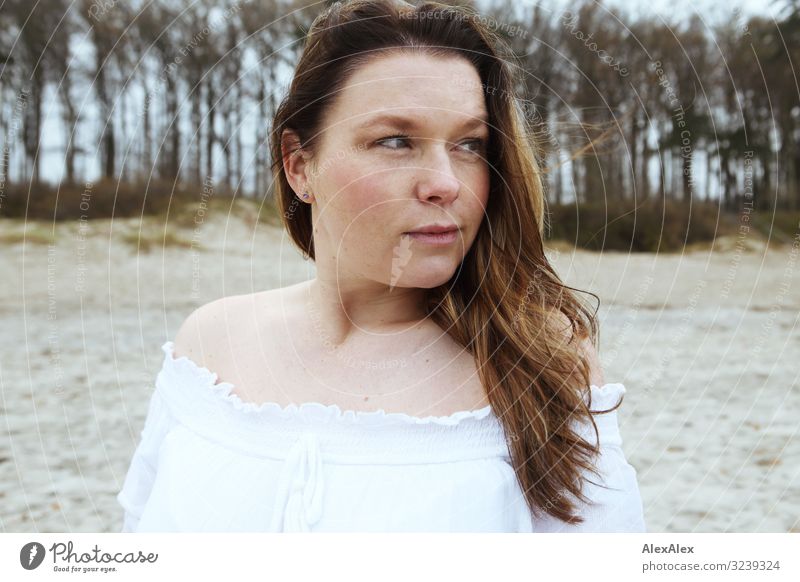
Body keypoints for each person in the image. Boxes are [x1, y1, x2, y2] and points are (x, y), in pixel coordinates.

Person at [116, 0, 646, 533]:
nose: (446, 182)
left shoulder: (534, 364)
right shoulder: (210, 347)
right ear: (299, 165)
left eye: (469, 144)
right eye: (395, 141)